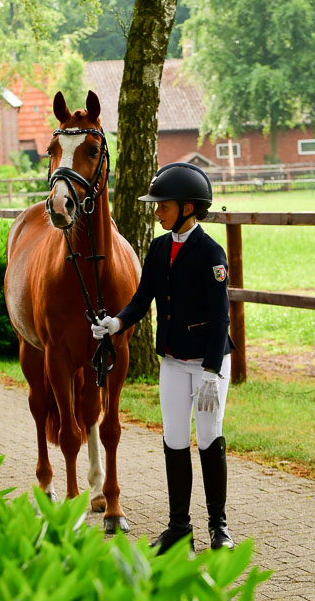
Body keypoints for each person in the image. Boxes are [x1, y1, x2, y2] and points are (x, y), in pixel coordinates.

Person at [91, 162, 235, 553]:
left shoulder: (211, 252)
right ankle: (179, 528)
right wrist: (116, 324)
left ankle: (218, 528)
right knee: (174, 440)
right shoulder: (158, 248)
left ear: (188, 207)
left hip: (208, 364)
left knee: (207, 438)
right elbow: (142, 299)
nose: (156, 212)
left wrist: (211, 371)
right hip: (172, 360)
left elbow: (221, 315)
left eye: (163, 206)